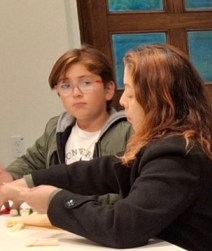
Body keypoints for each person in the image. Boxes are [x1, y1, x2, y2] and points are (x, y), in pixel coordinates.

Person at [0, 44, 212, 251]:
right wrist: (28, 182)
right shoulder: (167, 144)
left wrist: (55, 201)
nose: (122, 101)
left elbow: (122, 227)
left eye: (129, 93)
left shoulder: (178, 155)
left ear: (157, 101)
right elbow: (103, 170)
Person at [0, 46, 131, 201]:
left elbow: (129, 192)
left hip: (99, 219)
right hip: (57, 219)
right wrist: (9, 176)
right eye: (66, 86)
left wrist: (66, 202)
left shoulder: (128, 131)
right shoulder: (56, 128)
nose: (76, 93)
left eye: (86, 83)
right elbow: (30, 162)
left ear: (108, 89)